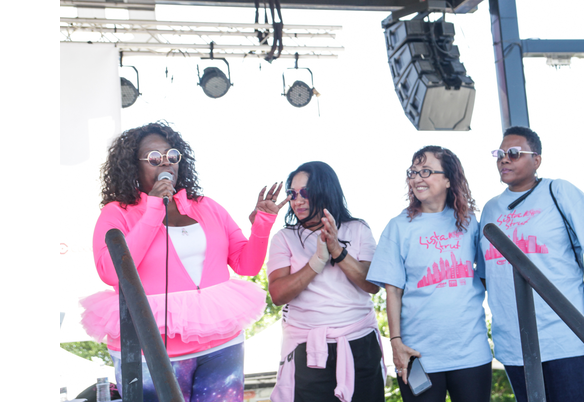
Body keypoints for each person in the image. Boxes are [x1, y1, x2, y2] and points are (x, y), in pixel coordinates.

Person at [80, 121, 287, 402]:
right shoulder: (118, 213)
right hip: (150, 351)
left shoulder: (207, 206)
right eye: (154, 158)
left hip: (221, 343)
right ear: (133, 166)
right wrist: (153, 209)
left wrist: (263, 224)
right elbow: (112, 273)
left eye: (172, 155)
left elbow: (246, 266)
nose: (166, 163)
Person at [477, 126, 584, 402]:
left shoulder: (558, 191)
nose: (504, 159)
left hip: (565, 338)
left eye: (513, 153)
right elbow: (486, 276)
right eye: (499, 154)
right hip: (514, 344)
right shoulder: (490, 210)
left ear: (536, 160)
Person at [366, 146, 493, 402]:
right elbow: (393, 291)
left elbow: (486, 275)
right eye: (413, 172)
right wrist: (396, 343)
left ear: (448, 179)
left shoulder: (470, 223)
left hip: (470, 351)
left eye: (426, 171)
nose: (416, 178)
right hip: (417, 354)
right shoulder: (398, 227)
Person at [267, 161, 385, 402]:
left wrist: (337, 250)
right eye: (292, 193)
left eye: (305, 193)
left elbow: (372, 285)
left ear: (325, 191)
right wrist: (317, 261)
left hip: (359, 344)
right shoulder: (284, 238)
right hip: (307, 349)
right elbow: (278, 295)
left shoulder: (358, 229)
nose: (297, 200)